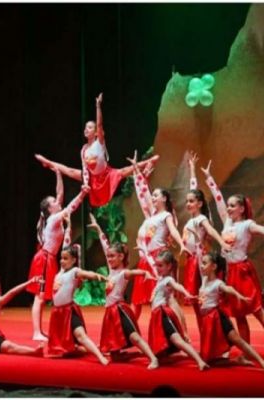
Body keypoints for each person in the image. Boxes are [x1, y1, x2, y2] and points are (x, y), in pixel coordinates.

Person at [35, 93, 159, 207]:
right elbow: (84, 168)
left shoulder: (99, 143)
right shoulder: (84, 149)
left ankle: (148, 162)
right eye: (85, 127)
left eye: (89, 128)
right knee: (70, 171)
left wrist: (98, 106)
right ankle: (47, 162)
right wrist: (86, 182)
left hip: (105, 174)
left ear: (95, 133)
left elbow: (99, 124)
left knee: (124, 171)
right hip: (92, 177)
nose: (86, 129)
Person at [201, 161, 264, 347]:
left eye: (232, 206)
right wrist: (209, 178)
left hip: (242, 272)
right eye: (228, 206)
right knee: (239, 314)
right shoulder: (228, 222)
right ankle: (245, 352)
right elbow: (218, 200)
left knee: (257, 310)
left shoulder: (247, 225)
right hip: (229, 272)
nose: (228, 208)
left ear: (242, 209)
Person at [88, 213, 158, 368]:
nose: (109, 259)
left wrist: (145, 273)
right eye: (108, 257)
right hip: (110, 312)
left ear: (121, 256)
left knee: (134, 336)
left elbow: (135, 272)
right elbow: (105, 245)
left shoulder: (123, 272)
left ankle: (153, 358)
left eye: (112, 256)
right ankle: (132, 354)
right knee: (114, 352)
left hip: (120, 310)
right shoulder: (112, 270)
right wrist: (98, 229)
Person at [26, 167, 89, 341]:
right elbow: (69, 208)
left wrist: (58, 173)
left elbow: (60, 193)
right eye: (54, 202)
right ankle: (36, 332)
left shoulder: (54, 216)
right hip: (44, 259)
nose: (57, 201)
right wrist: (82, 194)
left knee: (44, 297)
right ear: (49, 208)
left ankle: (39, 331)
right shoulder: (54, 219)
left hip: (50, 259)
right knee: (39, 297)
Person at [128, 152, 190, 321]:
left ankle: (179, 329)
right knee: (137, 299)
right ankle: (130, 330)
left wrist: (181, 244)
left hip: (159, 258)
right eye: (153, 195)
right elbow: (143, 192)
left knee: (167, 297)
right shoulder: (151, 216)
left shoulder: (166, 215)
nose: (153, 198)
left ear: (164, 198)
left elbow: (174, 230)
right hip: (146, 259)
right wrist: (136, 168)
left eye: (156, 195)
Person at [183, 152, 230, 326]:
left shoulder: (201, 219)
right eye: (187, 201)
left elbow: (211, 230)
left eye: (191, 201)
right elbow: (193, 190)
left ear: (200, 203)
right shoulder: (192, 219)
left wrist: (222, 242)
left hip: (200, 261)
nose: (188, 204)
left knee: (204, 299)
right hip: (191, 261)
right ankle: (204, 331)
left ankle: (214, 328)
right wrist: (192, 170)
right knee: (197, 301)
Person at [198, 252, 264, 368]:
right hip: (207, 320)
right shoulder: (204, 279)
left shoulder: (218, 283)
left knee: (238, 341)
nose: (201, 266)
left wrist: (239, 296)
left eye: (204, 263)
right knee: (210, 360)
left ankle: (261, 361)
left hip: (217, 318)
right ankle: (238, 361)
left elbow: (229, 289)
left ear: (214, 267)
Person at [47, 243, 109, 365]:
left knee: (81, 336)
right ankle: (88, 349)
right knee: (69, 347)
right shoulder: (58, 274)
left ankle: (100, 356)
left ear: (74, 260)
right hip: (58, 313)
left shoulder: (74, 272)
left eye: (65, 258)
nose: (62, 261)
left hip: (69, 311)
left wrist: (98, 276)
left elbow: (87, 274)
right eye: (61, 258)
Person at [148, 250, 209, 371]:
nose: (157, 268)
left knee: (177, 340)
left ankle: (200, 361)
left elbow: (178, 286)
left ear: (169, 266)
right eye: (156, 265)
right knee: (169, 342)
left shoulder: (168, 280)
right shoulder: (161, 279)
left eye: (160, 265)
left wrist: (187, 294)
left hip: (162, 314)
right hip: (157, 314)